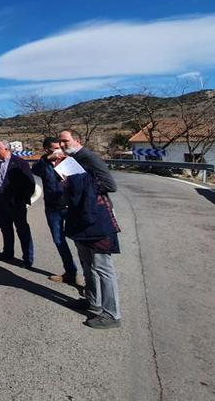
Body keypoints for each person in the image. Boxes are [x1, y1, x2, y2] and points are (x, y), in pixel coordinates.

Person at [58, 129, 122, 329]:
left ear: (77, 140)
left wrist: (75, 182)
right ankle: (92, 301)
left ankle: (112, 314)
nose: (61, 144)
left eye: (65, 141)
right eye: (60, 141)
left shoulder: (89, 158)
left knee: (103, 268)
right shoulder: (70, 159)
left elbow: (110, 185)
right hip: (80, 219)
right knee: (87, 263)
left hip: (96, 219)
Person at [31, 137, 81, 285]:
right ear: (47, 150)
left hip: (71, 207)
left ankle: (90, 279)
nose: (59, 150)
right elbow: (35, 169)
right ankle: (70, 272)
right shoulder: (43, 163)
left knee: (80, 241)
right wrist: (48, 159)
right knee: (59, 240)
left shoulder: (69, 160)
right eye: (55, 148)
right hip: (52, 208)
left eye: (60, 147)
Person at [0, 140, 36, 268]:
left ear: (6, 149)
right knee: (5, 228)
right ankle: (8, 253)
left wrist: (21, 199)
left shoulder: (20, 163)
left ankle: (27, 258)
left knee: (22, 229)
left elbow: (30, 184)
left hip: (15, 202)